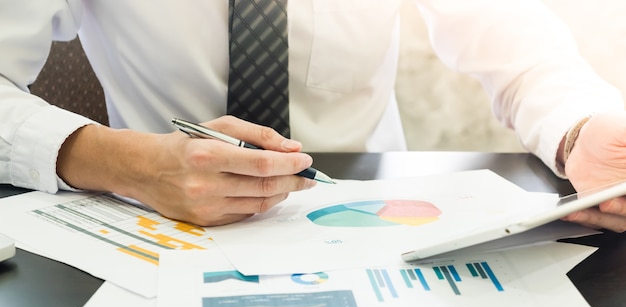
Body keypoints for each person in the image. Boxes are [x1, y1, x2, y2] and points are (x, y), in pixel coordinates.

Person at [1, 0, 625, 231]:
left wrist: (579, 127)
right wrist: (125, 163)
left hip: (374, 217)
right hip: (157, 223)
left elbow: (513, 41)